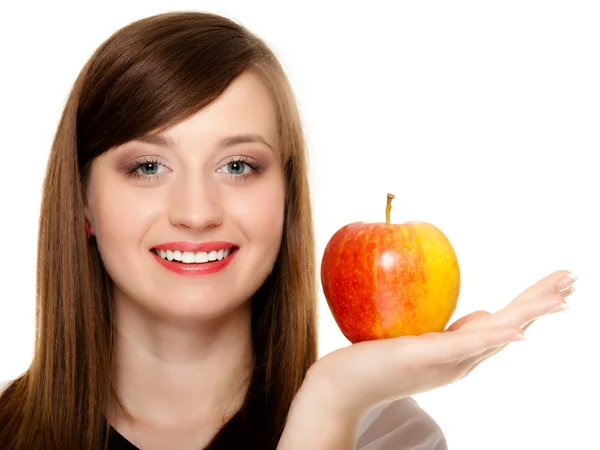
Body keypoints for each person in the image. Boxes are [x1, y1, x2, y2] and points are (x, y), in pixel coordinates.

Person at [0, 11, 576, 450]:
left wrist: (332, 405)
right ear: (83, 202)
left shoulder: (389, 437)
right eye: (148, 167)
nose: (197, 212)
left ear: (286, 200)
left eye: (238, 167)